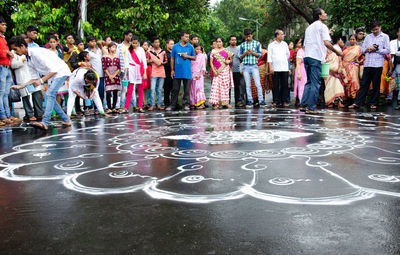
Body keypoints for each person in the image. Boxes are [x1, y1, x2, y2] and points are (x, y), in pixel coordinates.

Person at [9, 35, 71, 130]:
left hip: (60, 72)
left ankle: (45, 122)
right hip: (53, 74)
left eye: (15, 49)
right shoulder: (28, 59)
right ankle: (66, 120)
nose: (15, 52)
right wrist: (21, 86)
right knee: (51, 98)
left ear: (22, 46)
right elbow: (34, 78)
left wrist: (41, 81)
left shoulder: (36, 53)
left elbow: (54, 70)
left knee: (50, 95)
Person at [300, 8, 342, 113]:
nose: (326, 14)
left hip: (307, 57)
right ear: (319, 15)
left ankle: (304, 104)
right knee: (315, 83)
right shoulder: (322, 26)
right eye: (324, 13)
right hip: (316, 57)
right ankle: (311, 107)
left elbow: (305, 45)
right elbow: (327, 43)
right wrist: (337, 52)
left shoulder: (309, 28)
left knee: (309, 82)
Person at [349, 20, 390, 109]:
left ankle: (374, 103)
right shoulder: (368, 37)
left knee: (376, 84)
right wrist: (368, 49)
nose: (375, 31)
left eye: (376, 29)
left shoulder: (385, 37)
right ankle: (358, 102)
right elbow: (362, 50)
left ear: (380, 27)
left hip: (378, 63)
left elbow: (387, 50)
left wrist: (377, 49)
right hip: (368, 63)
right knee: (364, 84)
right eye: (373, 30)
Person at [10, 38, 44, 122]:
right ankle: (29, 114)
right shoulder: (13, 52)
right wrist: (21, 61)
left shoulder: (30, 52)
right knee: (25, 97)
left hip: (31, 76)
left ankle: (39, 113)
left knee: (36, 94)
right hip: (22, 76)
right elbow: (12, 65)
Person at [166, 31, 196, 111]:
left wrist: (187, 56)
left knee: (186, 90)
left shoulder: (190, 47)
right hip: (177, 72)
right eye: (186, 37)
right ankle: (173, 105)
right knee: (175, 89)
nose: (187, 38)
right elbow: (172, 58)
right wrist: (172, 70)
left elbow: (194, 57)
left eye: (188, 37)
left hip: (187, 71)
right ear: (181, 37)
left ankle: (186, 105)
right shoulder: (175, 46)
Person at [0, 17, 21, 126]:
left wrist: (8, 53)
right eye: (3, 24)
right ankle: (2, 116)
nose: (5, 26)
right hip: (1, 67)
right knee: (1, 93)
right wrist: (6, 53)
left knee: (6, 93)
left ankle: (8, 115)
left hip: (7, 67)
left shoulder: (3, 38)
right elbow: (2, 53)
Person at [240, 28, 266, 108]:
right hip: (246, 66)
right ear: (245, 36)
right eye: (247, 36)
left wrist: (252, 53)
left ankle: (261, 100)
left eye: (250, 36)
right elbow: (240, 56)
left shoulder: (256, 43)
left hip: (254, 66)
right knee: (248, 85)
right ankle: (250, 101)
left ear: (252, 35)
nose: (248, 38)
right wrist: (246, 53)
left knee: (258, 84)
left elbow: (260, 54)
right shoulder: (243, 45)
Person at [123, 35, 147, 113]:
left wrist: (145, 73)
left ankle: (140, 106)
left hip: (140, 70)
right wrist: (125, 74)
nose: (134, 45)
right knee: (130, 89)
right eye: (133, 43)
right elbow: (126, 63)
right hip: (132, 70)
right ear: (131, 42)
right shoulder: (128, 51)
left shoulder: (141, 50)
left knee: (140, 89)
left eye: (136, 43)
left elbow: (144, 61)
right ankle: (126, 107)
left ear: (138, 43)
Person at [209, 37, 234, 109]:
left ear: (222, 42)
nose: (218, 43)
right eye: (217, 42)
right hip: (216, 71)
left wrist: (228, 61)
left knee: (225, 87)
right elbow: (211, 62)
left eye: (220, 42)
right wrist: (214, 71)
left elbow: (231, 59)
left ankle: (225, 103)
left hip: (225, 71)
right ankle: (216, 103)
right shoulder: (213, 51)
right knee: (216, 87)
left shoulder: (226, 51)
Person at [268, 29, 290, 107]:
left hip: (284, 67)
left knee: (285, 85)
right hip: (275, 67)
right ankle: (275, 101)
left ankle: (284, 100)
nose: (283, 36)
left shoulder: (285, 44)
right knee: (275, 85)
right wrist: (270, 67)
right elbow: (269, 57)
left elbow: (288, 55)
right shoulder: (271, 45)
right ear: (277, 35)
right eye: (282, 34)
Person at [48, 35, 69, 109]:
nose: (52, 43)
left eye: (54, 42)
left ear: (57, 42)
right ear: (48, 43)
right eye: (51, 42)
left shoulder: (59, 51)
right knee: (54, 92)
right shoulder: (48, 52)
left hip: (60, 72)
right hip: (52, 73)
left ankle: (59, 109)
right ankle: (53, 111)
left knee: (60, 92)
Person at [86, 35, 105, 112]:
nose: (93, 43)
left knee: (101, 90)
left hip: (101, 74)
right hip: (93, 75)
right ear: (88, 43)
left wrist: (101, 45)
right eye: (91, 41)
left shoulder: (99, 50)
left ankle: (101, 107)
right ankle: (94, 107)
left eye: (94, 41)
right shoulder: (87, 51)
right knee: (93, 91)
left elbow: (105, 54)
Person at [116, 30, 133, 112]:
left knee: (132, 89)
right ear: (125, 36)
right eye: (129, 36)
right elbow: (117, 58)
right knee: (124, 89)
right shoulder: (119, 46)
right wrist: (118, 69)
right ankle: (122, 106)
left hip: (132, 70)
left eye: (131, 36)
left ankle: (133, 105)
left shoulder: (132, 46)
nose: (130, 37)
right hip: (123, 69)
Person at [342, 34, 363, 101]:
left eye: (353, 39)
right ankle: (347, 98)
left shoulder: (359, 48)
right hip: (345, 66)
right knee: (346, 82)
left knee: (354, 81)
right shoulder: (346, 48)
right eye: (350, 39)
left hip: (353, 66)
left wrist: (359, 61)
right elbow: (342, 57)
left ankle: (355, 98)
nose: (352, 41)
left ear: (356, 40)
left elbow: (363, 58)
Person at [148, 36, 167, 110]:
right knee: (152, 89)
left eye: (158, 42)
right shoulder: (150, 52)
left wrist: (162, 62)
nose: (157, 44)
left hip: (161, 72)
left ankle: (159, 105)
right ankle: (152, 105)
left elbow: (166, 61)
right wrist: (153, 61)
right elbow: (146, 61)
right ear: (152, 43)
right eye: (155, 42)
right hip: (153, 72)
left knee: (160, 89)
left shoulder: (163, 51)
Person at [102, 42, 121, 113]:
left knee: (115, 91)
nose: (114, 49)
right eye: (113, 47)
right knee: (108, 91)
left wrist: (114, 75)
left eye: (115, 47)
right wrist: (110, 76)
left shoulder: (117, 57)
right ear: (109, 48)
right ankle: (109, 107)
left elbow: (119, 68)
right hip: (108, 75)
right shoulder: (105, 57)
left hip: (115, 75)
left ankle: (114, 107)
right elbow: (104, 67)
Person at [227, 34, 245, 107]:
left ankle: (237, 101)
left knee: (237, 87)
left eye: (235, 40)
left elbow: (241, 59)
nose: (234, 41)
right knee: (228, 87)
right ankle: (227, 101)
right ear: (229, 41)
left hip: (237, 71)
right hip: (228, 71)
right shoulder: (226, 49)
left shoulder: (239, 49)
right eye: (232, 40)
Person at [190, 43, 207, 109]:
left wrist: (200, 75)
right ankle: (193, 103)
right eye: (196, 49)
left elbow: (203, 66)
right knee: (192, 89)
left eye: (199, 49)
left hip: (199, 75)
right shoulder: (191, 56)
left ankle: (202, 104)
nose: (198, 51)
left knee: (199, 89)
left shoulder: (202, 56)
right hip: (191, 75)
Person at [294, 38, 307, 105]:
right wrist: (299, 73)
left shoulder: (308, 51)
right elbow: (298, 63)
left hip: (306, 69)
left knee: (306, 85)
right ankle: (302, 101)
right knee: (301, 86)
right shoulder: (300, 51)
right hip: (301, 69)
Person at [390, 27, 400, 109]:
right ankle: (389, 98)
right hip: (394, 65)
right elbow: (392, 54)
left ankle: (399, 101)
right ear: (397, 33)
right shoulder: (393, 42)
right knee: (393, 81)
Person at [163, 39, 174, 107]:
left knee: (174, 88)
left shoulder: (174, 52)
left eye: (173, 44)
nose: (172, 45)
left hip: (174, 72)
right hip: (166, 72)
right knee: (167, 89)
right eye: (171, 44)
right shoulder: (164, 52)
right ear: (167, 44)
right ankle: (166, 103)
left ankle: (174, 103)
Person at [142, 41, 152, 109]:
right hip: (142, 69)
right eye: (144, 45)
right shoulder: (140, 52)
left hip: (149, 69)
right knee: (143, 87)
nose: (146, 46)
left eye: (147, 45)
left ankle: (150, 103)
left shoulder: (149, 53)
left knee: (150, 86)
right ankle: (143, 102)